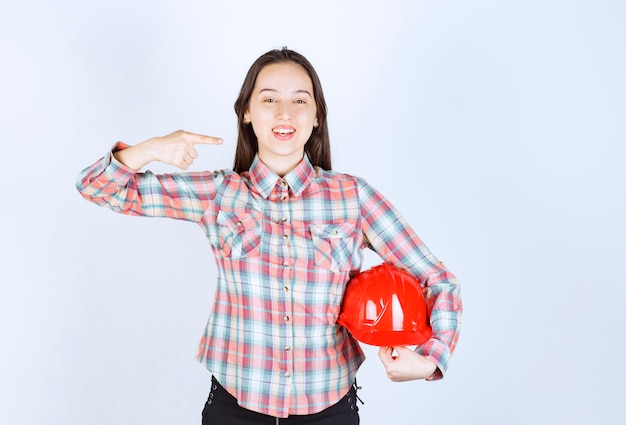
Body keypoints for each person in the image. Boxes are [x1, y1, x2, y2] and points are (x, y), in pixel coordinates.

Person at [76, 47, 462, 425]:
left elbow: (437, 279)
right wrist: (150, 149)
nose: (284, 112)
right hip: (234, 408)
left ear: (316, 117)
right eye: (269, 99)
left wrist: (430, 359)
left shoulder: (353, 197)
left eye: (300, 100)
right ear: (246, 112)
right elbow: (97, 187)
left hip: (329, 410)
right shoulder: (219, 194)